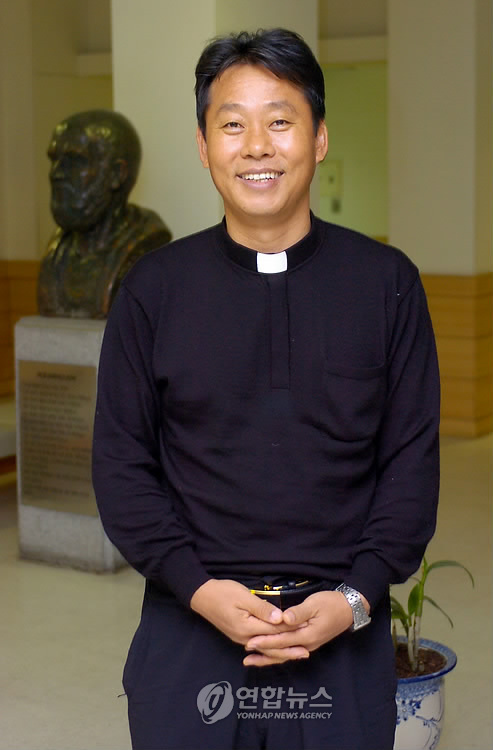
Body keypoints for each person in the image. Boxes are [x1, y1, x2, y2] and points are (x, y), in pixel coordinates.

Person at [92, 28, 440, 750]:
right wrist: (197, 588)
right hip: (191, 620)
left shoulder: (386, 286)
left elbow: (410, 464)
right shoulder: (153, 291)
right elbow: (121, 467)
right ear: (203, 145)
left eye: (280, 121)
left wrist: (354, 598)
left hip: (338, 629)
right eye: (232, 125)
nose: (256, 147)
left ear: (318, 138)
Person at [37, 109, 171, 319]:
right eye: (55, 159)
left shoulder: (145, 245)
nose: (56, 173)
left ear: (117, 174)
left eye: (75, 161)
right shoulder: (56, 252)